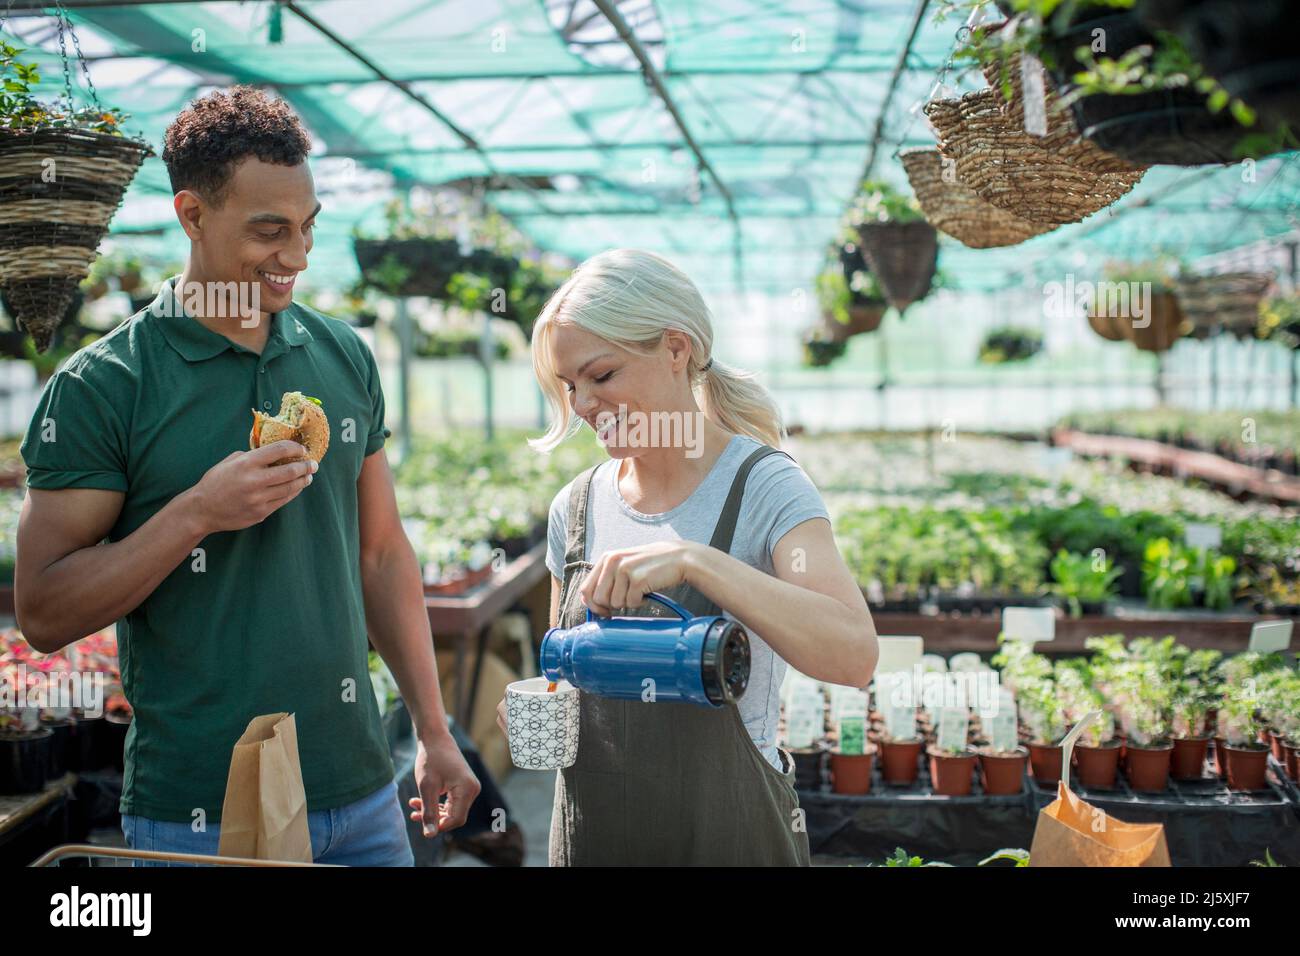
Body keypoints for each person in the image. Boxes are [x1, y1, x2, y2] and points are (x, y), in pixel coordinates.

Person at [16, 87, 478, 865]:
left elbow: (383, 554)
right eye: (269, 231)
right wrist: (195, 512)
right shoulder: (104, 386)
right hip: (201, 813)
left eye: (307, 228)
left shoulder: (342, 355)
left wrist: (434, 730)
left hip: (363, 794)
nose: (296, 256)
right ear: (191, 213)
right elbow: (44, 610)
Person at [496, 248, 878, 865]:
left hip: (730, 832)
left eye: (602, 375)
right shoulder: (578, 507)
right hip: (597, 835)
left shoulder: (763, 486)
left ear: (676, 350)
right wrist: (538, 707)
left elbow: (854, 656)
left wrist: (699, 562)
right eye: (571, 386)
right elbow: (562, 677)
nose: (584, 405)